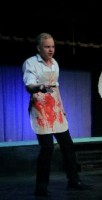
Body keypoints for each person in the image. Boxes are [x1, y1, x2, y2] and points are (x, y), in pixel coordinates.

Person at [22, 33, 90, 196]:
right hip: (40, 108)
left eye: (52, 46)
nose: (51, 49)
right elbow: (29, 85)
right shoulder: (31, 63)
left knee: (68, 146)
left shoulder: (55, 64)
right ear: (39, 48)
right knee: (47, 148)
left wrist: (62, 106)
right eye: (47, 46)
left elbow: (56, 86)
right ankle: (41, 186)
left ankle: (73, 180)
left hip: (55, 108)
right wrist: (39, 87)